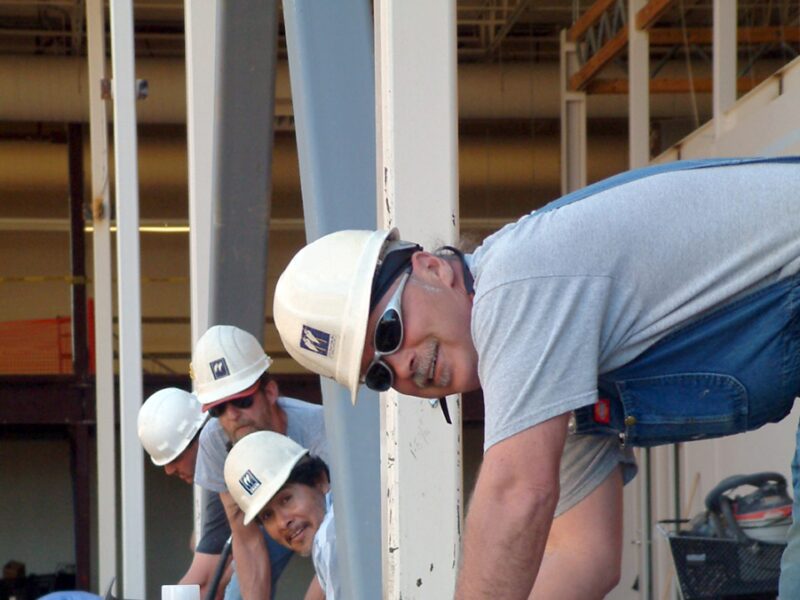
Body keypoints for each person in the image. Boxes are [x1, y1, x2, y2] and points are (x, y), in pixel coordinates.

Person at [272, 157, 800, 599]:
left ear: (432, 268)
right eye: (379, 373)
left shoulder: (513, 285)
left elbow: (516, 495)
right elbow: (583, 558)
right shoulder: (548, 378)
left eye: (389, 331)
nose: (402, 364)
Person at [192, 325, 329, 600]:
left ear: (270, 392)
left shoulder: (323, 431)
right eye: (218, 409)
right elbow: (246, 538)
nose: (232, 415)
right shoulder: (215, 440)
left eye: (242, 401)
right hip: (277, 521)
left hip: (329, 518)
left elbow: (343, 539)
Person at [137, 388, 234, 600]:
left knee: (232, 584)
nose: (169, 470)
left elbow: (202, 583)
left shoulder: (224, 467)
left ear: (200, 437)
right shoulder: (220, 456)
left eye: (175, 458)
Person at [224, 431, 338, 600]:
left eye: (286, 500)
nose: (282, 522)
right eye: (267, 515)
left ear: (319, 481)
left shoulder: (330, 536)